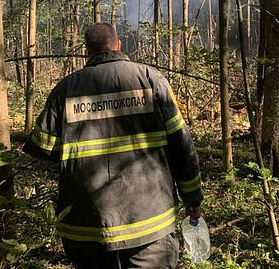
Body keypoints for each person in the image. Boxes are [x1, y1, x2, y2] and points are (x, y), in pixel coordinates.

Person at [23, 22, 203, 268]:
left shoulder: (66, 89)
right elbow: (181, 144)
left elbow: (43, 146)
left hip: (87, 225)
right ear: (118, 45)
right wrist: (192, 196)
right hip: (150, 221)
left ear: (88, 51)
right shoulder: (151, 80)